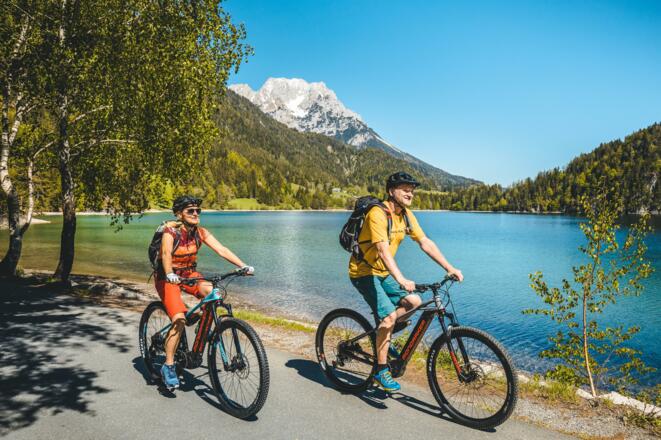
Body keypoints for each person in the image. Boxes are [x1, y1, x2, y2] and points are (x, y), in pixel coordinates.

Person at [349, 172, 464, 392]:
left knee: (414, 302)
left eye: (412, 190)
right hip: (363, 272)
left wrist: (449, 268)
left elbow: (425, 242)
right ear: (391, 191)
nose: (410, 194)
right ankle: (381, 370)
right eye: (405, 189)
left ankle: (383, 333)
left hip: (383, 272)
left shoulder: (406, 215)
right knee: (389, 318)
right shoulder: (377, 213)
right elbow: (382, 250)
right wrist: (401, 279)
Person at [155, 195, 253, 390]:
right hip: (168, 278)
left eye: (198, 210)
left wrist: (243, 265)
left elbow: (222, 249)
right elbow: (165, 254)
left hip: (189, 275)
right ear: (179, 214)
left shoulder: (200, 232)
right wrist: (170, 273)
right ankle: (169, 366)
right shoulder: (170, 232)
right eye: (190, 211)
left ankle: (200, 329)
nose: (195, 214)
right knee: (179, 320)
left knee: (214, 293)